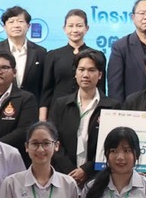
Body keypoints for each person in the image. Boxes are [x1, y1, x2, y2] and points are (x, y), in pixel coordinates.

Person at [50, 49, 117, 182]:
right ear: (75, 73)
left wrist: (86, 170)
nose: (85, 75)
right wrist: (69, 171)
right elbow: (53, 140)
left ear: (100, 75)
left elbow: (111, 146)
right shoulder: (61, 104)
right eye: (81, 70)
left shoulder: (112, 107)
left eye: (91, 70)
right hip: (63, 175)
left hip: (97, 178)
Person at [0, 5, 49, 115]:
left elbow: (44, 86)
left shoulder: (40, 52)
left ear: (28, 26)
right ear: (4, 26)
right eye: (11, 22)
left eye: (20, 21)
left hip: (30, 109)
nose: (16, 25)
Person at [43, 8, 106, 107]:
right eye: (70, 26)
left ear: (87, 28)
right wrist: (43, 116)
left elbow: (101, 88)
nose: (75, 30)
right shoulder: (53, 55)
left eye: (79, 26)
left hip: (89, 107)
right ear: (64, 29)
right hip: (58, 109)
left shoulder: (97, 55)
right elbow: (46, 91)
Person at [0, 52, 37, 153]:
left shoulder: (26, 99)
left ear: (14, 72)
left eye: (4, 67)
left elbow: (24, 131)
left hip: (9, 155)